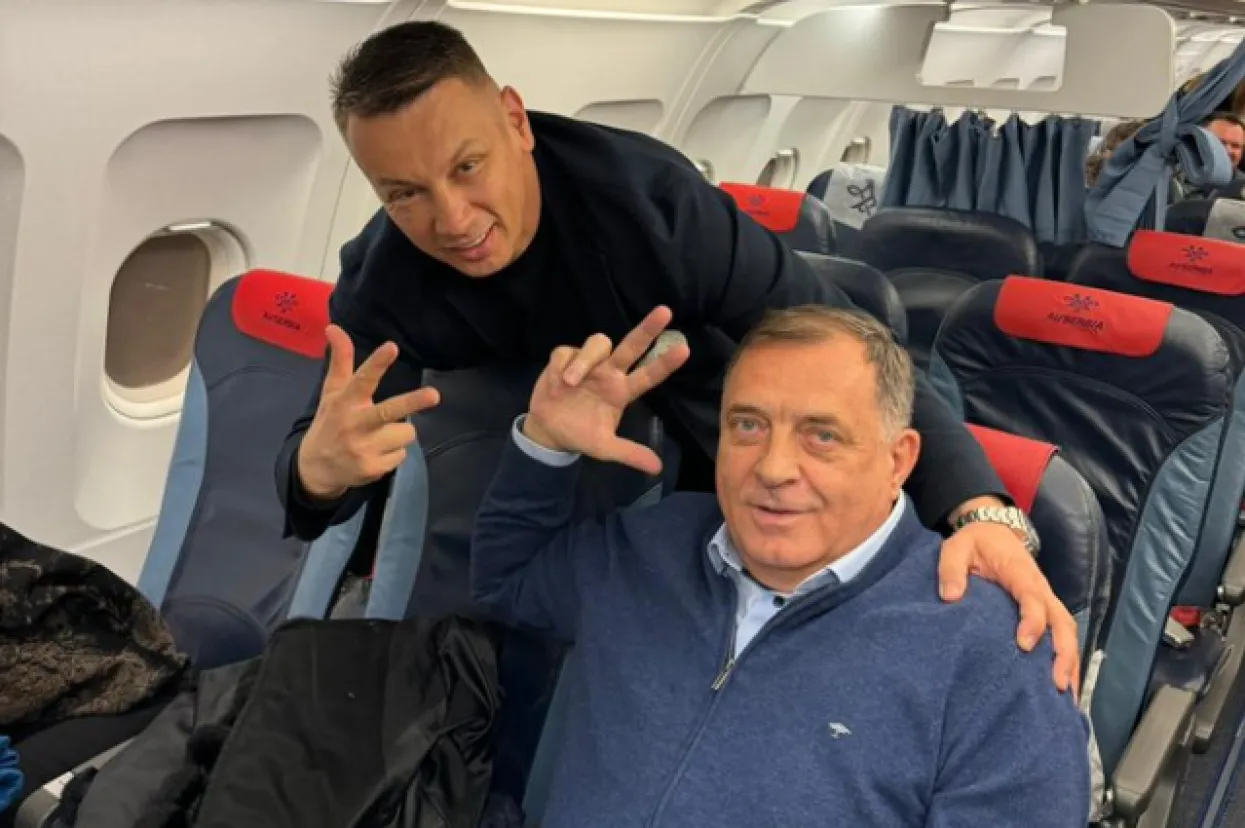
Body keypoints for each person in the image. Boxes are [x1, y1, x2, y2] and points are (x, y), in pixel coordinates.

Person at [276, 20, 1080, 689]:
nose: (451, 219)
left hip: (694, 442)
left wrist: (978, 507)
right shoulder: (383, 277)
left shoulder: (652, 206)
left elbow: (851, 350)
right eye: (404, 193)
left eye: (467, 166)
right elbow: (321, 465)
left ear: (515, 122)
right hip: (516, 475)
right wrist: (318, 471)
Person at [470, 305, 1092, 827]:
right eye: (748, 425)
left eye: (821, 436)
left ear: (898, 461)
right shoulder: (654, 546)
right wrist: (546, 444)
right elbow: (508, 581)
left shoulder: (994, 657)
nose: (772, 468)